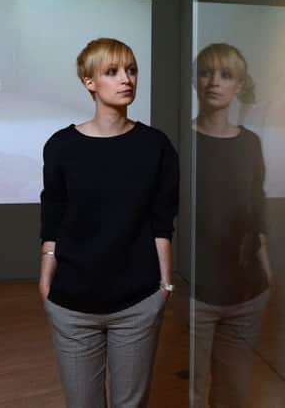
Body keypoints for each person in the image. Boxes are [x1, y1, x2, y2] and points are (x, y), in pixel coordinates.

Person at [39, 38, 179, 408]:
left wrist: (164, 284)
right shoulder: (61, 145)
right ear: (89, 82)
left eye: (131, 70)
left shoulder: (156, 145)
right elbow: (52, 217)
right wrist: (45, 278)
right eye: (113, 71)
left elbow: (162, 221)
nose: (126, 79)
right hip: (71, 305)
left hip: (137, 303)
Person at [192, 43, 273, 408]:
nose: (214, 82)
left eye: (225, 75)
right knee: (192, 389)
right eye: (206, 72)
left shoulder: (250, 143)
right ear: (195, 81)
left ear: (239, 84)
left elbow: (256, 207)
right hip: (194, 289)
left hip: (245, 290)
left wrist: (266, 270)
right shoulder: (180, 141)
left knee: (233, 391)